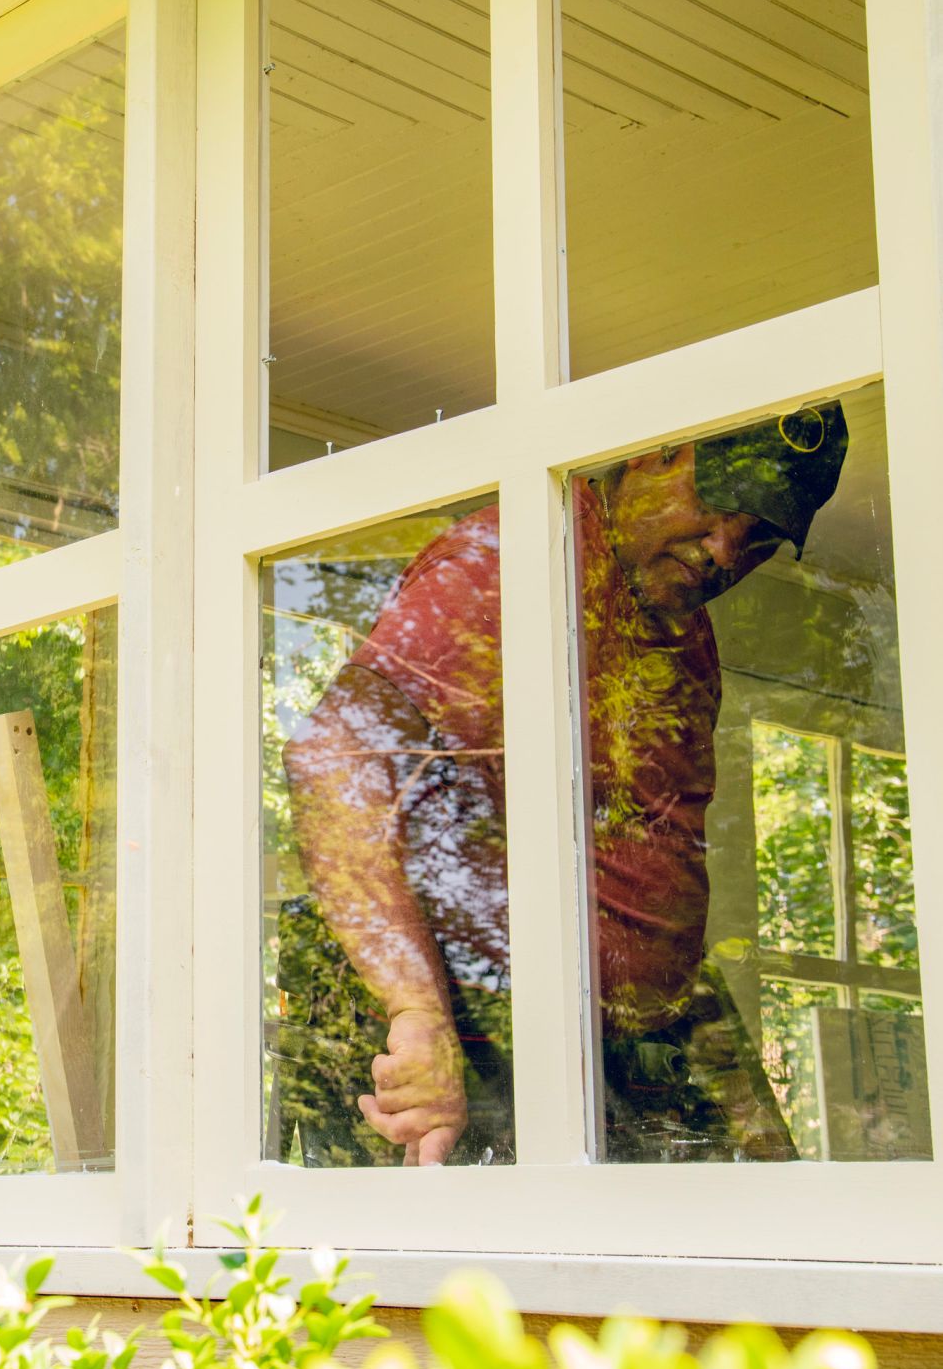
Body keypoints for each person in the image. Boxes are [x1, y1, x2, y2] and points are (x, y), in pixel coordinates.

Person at [280, 403, 849, 1166]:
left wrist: (743, 1103)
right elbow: (337, 759)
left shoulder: (683, 632)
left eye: (760, 539)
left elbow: (651, 878)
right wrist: (416, 1014)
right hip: (484, 1034)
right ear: (655, 454)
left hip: (628, 1046)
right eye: (718, 509)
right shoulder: (514, 563)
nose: (725, 550)